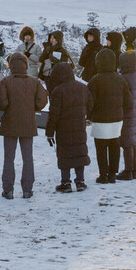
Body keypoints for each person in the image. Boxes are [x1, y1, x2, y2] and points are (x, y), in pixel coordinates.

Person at [0, 52, 49, 199]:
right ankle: (27, 189)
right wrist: (32, 108)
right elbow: (41, 102)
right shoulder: (35, 82)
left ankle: (8, 189)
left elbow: (2, 103)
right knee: (28, 158)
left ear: (11, 65)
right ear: (25, 65)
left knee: (9, 158)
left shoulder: (5, 81)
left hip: (9, 124)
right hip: (28, 123)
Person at [45, 62, 92, 193]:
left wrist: (49, 132)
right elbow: (91, 104)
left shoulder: (58, 91)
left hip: (63, 129)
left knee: (65, 154)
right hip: (79, 126)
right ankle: (80, 181)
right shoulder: (83, 88)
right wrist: (86, 117)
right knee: (79, 151)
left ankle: (66, 182)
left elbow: (53, 115)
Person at [86, 49, 131, 184]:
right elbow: (128, 101)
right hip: (117, 119)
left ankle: (103, 174)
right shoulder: (120, 79)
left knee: (101, 148)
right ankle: (112, 174)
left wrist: (90, 115)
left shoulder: (95, 80)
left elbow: (90, 102)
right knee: (114, 146)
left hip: (100, 119)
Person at [116, 51, 136, 180]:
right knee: (133, 141)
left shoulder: (125, 78)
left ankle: (128, 171)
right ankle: (134, 170)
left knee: (127, 141)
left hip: (127, 113)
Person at [38, 30, 72, 95]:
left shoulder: (62, 51)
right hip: (47, 75)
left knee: (56, 94)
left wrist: (52, 57)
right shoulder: (47, 48)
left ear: (58, 39)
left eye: (54, 38)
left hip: (57, 75)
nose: (51, 39)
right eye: (51, 38)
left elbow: (64, 63)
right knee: (50, 93)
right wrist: (46, 51)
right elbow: (41, 59)